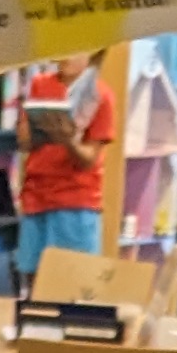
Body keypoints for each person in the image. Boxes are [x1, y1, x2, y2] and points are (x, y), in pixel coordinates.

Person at [12, 48, 115, 280]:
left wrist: (68, 140)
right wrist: (28, 128)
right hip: (36, 196)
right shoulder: (40, 85)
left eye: (76, 50)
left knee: (70, 282)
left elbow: (89, 159)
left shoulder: (100, 95)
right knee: (32, 277)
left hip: (75, 201)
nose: (67, 56)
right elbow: (25, 142)